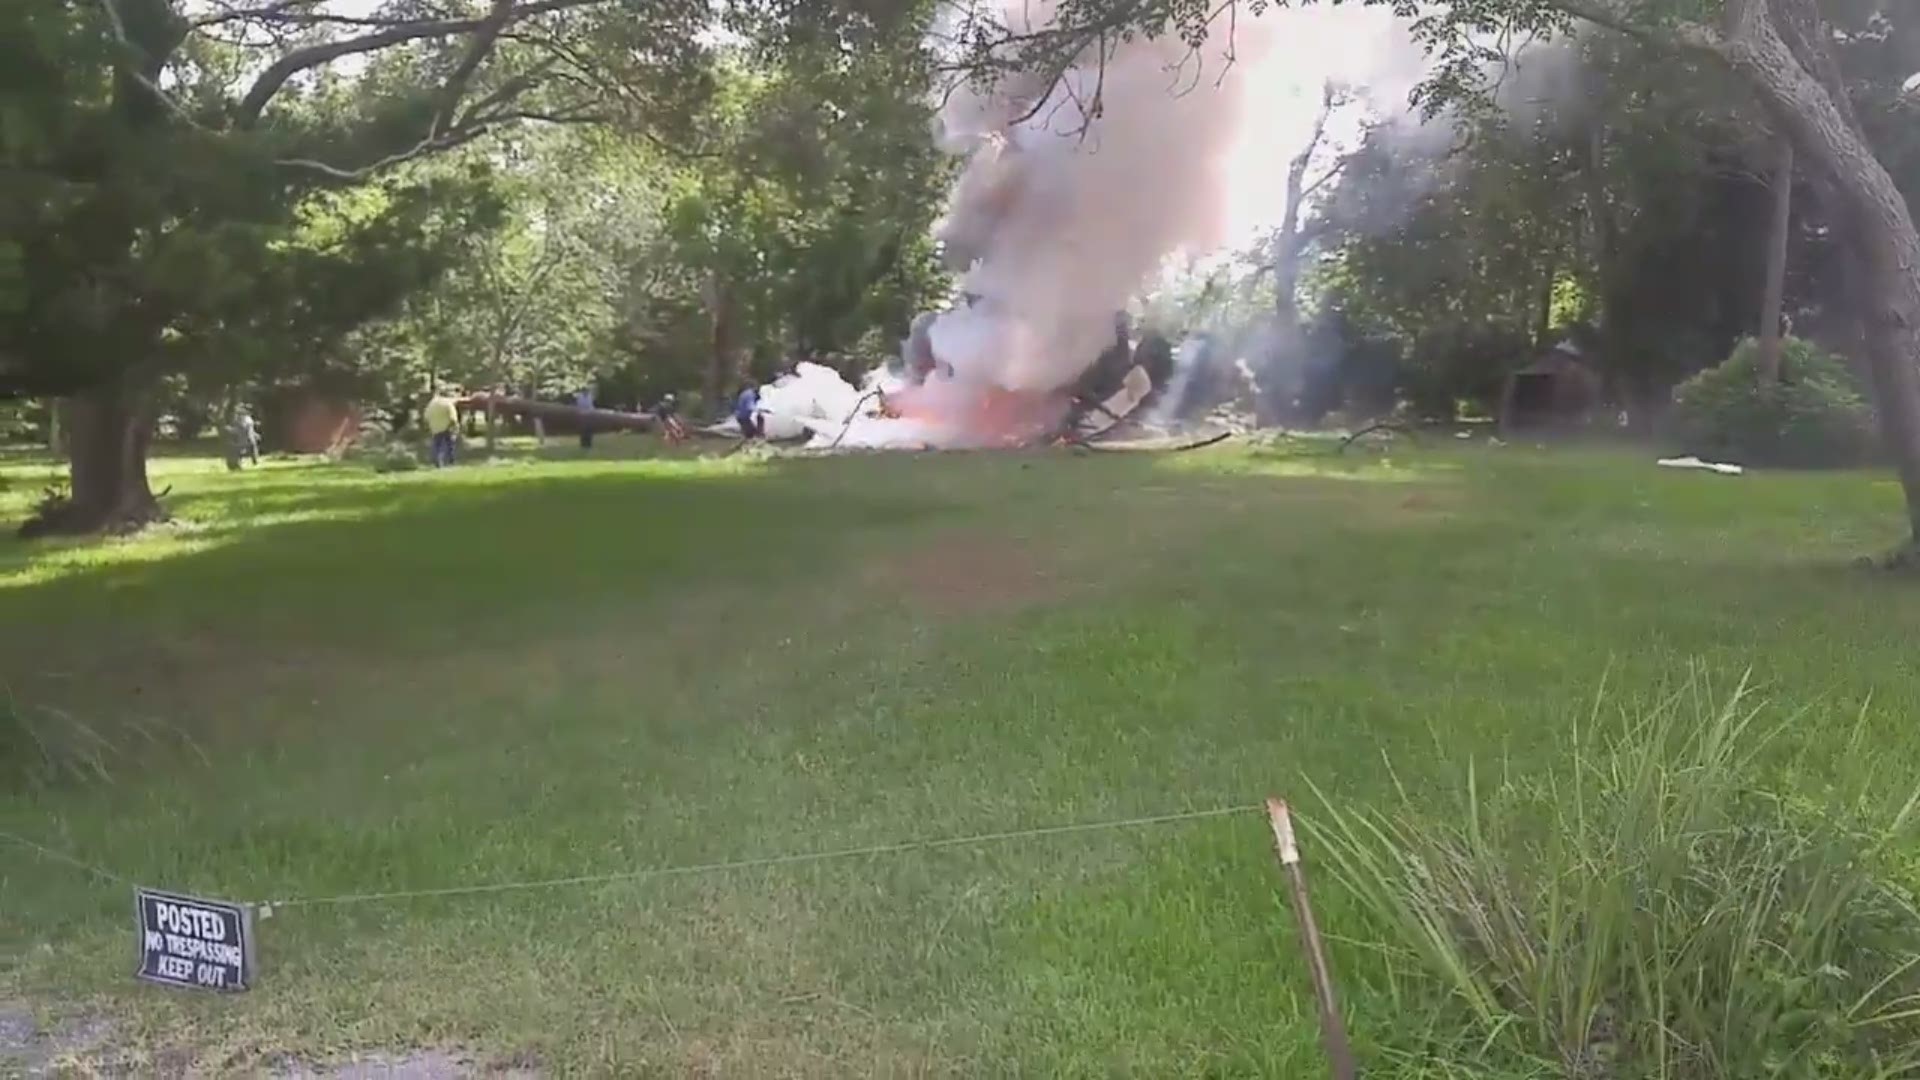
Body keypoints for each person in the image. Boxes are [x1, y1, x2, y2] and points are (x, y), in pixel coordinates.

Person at [424, 390, 460, 467]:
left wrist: (429, 427)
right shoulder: (448, 403)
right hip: (447, 427)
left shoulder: (432, 403)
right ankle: (450, 462)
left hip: (435, 428)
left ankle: (437, 462)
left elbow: (426, 416)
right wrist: (455, 426)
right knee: (450, 445)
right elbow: (453, 418)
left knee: (437, 446)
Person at [575, 386, 596, 451]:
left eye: (587, 391)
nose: (586, 392)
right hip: (582, 414)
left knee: (589, 429)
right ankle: (583, 444)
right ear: (583, 391)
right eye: (585, 391)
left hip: (589, 414)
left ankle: (589, 443)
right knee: (583, 430)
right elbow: (580, 405)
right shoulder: (580, 397)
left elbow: (590, 405)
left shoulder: (589, 397)